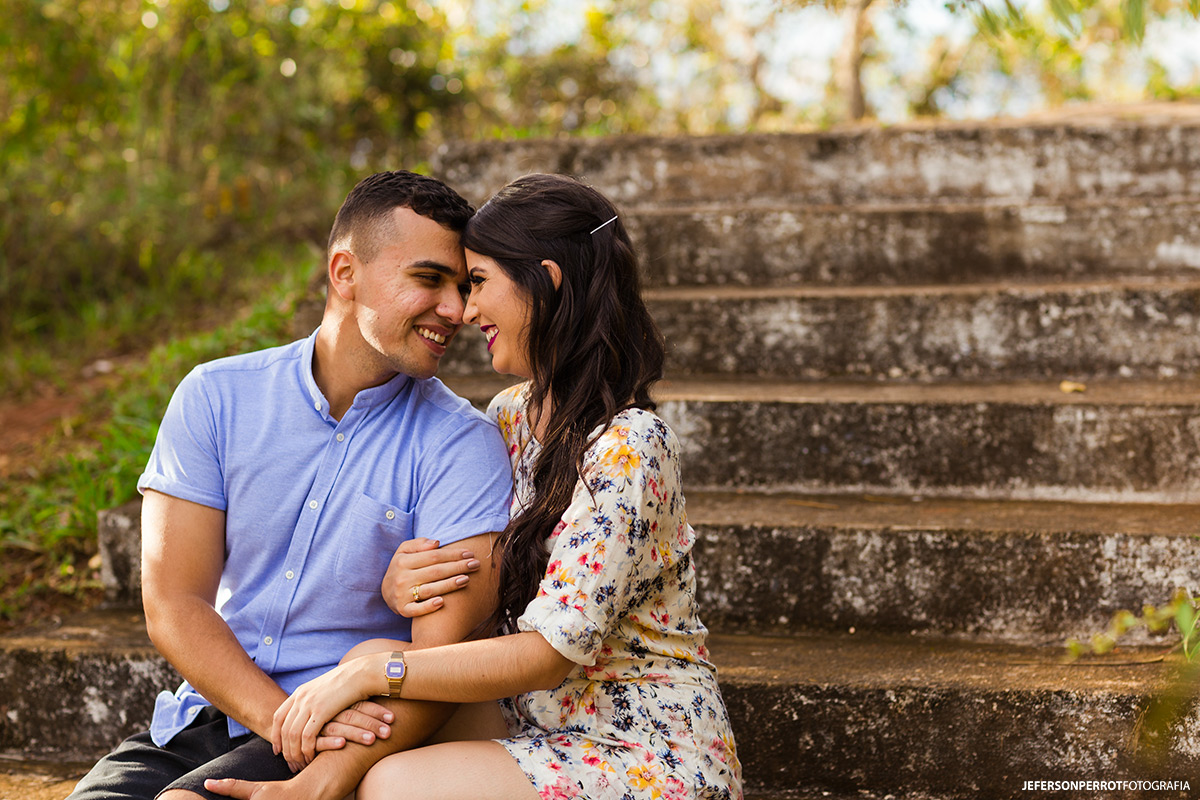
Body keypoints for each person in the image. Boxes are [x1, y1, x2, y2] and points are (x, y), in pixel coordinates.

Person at [204, 173, 744, 800]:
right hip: (535, 717)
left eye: (479, 283)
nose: (465, 311)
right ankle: (302, 787)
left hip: (639, 746)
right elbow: (475, 586)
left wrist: (383, 668)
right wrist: (399, 580)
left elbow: (547, 653)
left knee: (397, 776)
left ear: (548, 279)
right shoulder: (510, 415)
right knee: (365, 674)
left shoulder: (630, 445)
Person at [67, 170, 514, 800]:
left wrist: (314, 740)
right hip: (208, 714)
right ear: (344, 272)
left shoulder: (461, 445)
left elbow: (444, 659)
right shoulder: (215, 398)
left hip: (354, 728)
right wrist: (284, 721)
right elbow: (175, 604)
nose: (456, 310)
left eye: (463, 287)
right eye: (428, 278)